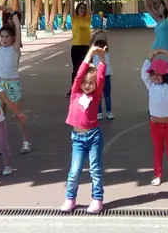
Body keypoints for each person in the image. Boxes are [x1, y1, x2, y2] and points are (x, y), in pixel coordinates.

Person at [61, 46, 108, 214]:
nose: (87, 85)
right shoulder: (75, 93)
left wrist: (101, 58)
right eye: (85, 82)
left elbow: (101, 78)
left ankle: (97, 199)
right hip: (78, 139)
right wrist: (89, 55)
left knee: (95, 169)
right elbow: (80, 73)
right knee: (74, 171)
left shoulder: (95, 95)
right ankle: (70, 198)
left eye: (91, 83)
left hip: (93, 136)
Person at [0, 6, 31, 154]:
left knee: (17, 114)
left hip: (13, 84)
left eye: (7, 36)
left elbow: (18, 30)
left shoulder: (15, 49)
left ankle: (26, 142)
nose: (4, 39)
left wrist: (13, 13)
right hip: (1, 85)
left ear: (13, 38)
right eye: (2, 36)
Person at [141, 49, 168, 188]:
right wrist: (151, 55)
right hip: (155, 125)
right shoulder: (150, 86)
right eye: (153, 74)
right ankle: (157, 175)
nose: (155, 77)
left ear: (166, 75)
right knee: (158, 151)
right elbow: (143, 72)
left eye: (159, 74)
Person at [67, 0, 92, 97]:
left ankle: (86, 88)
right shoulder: (74, 18)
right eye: (80, 8)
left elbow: (88, 3)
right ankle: (74, 89)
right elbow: (71, 4)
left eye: (84, 8)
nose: (82, 9)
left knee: (86, 68)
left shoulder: (87, 18)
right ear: (77, 10)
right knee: (76, 69)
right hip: (76, 47)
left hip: (86, 47)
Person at [90, 35, 113, 121]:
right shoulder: (94, 55)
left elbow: (106, 44)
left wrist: (104, 34)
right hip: (97, 77)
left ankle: (109, 112)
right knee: (98, 96)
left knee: (107, 96)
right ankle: (99, 112)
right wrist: (94, 35)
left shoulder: (106, 53)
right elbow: (90, 45)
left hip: (106, 76)